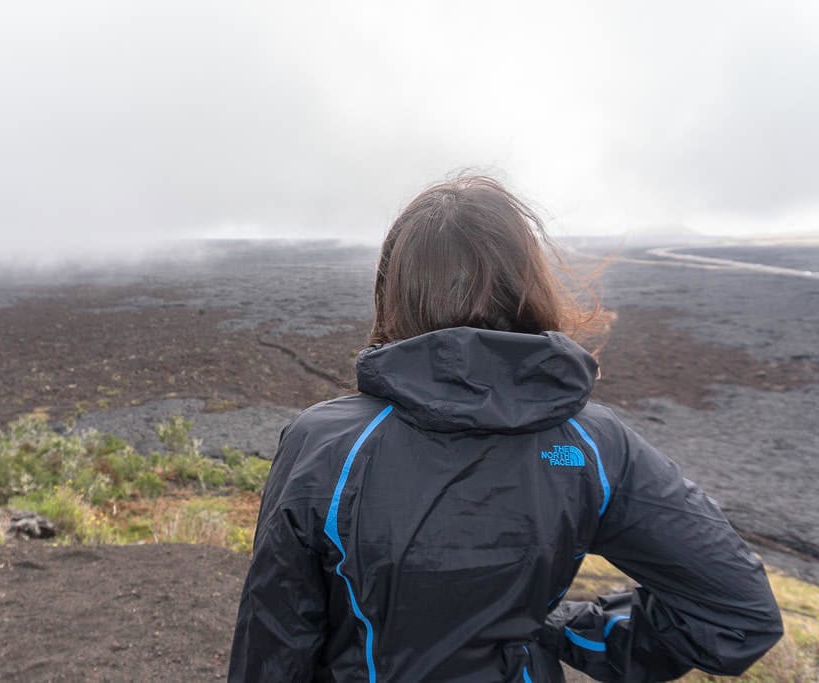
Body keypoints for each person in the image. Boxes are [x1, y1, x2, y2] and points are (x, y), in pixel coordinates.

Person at [228, 175, 783, 681]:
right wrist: (560, 630)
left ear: (393, 289)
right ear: (527, 282)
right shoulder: (591, 445)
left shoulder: (326, 445)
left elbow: (274, 643)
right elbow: (738, 617)